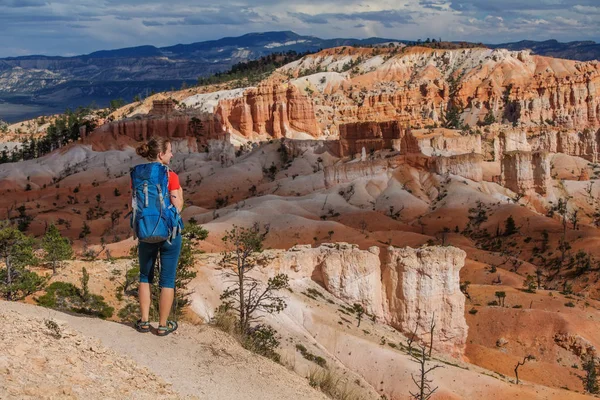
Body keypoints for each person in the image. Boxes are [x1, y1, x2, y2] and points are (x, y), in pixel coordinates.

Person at [132, 136, 184, 336]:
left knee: (145, 276)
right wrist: (179, 196)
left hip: (145, 230)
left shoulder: (139, 174)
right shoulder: (170, 175)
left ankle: (144, 322)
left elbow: (135, 203)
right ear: (161, 154)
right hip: (169, 233)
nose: (172, 154)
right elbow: (176, 205)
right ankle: (162, 325)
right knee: (167, 279)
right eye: (170, 151)